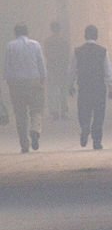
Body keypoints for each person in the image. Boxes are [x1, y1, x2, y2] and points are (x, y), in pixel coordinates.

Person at [69, 25, 112, 150]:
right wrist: (111, 87)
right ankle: (97, 140)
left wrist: (70, 85)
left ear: (85, 35)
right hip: (99, 87)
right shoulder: (103, 51)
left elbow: (72, 70)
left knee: (83, 110)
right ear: (96, 36)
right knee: (99, 113)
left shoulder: (77, 51)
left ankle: (85, 126)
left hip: (84, 87)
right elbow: (108, 70)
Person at [5, 24, 47, 153]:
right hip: (34, 82)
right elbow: (41, 63)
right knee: (36, 110)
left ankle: (24, 144)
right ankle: (35, 130)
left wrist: (8, 81)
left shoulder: (10, 46)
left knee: (20, 114)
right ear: (27, 32)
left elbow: (7, 65)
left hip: (16, 83)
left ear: (15, 33)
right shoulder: (35, 45)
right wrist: (43, 78)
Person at [43, 20, 71, 120]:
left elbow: (46, 54)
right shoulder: (64, 41)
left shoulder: (47, 42)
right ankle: (63, 111)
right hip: (62, 68)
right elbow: (67, 55)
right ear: (60, 29)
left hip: (51, 68)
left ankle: (54, 111)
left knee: (52, 90)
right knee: (63, 90)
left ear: (51, 29)